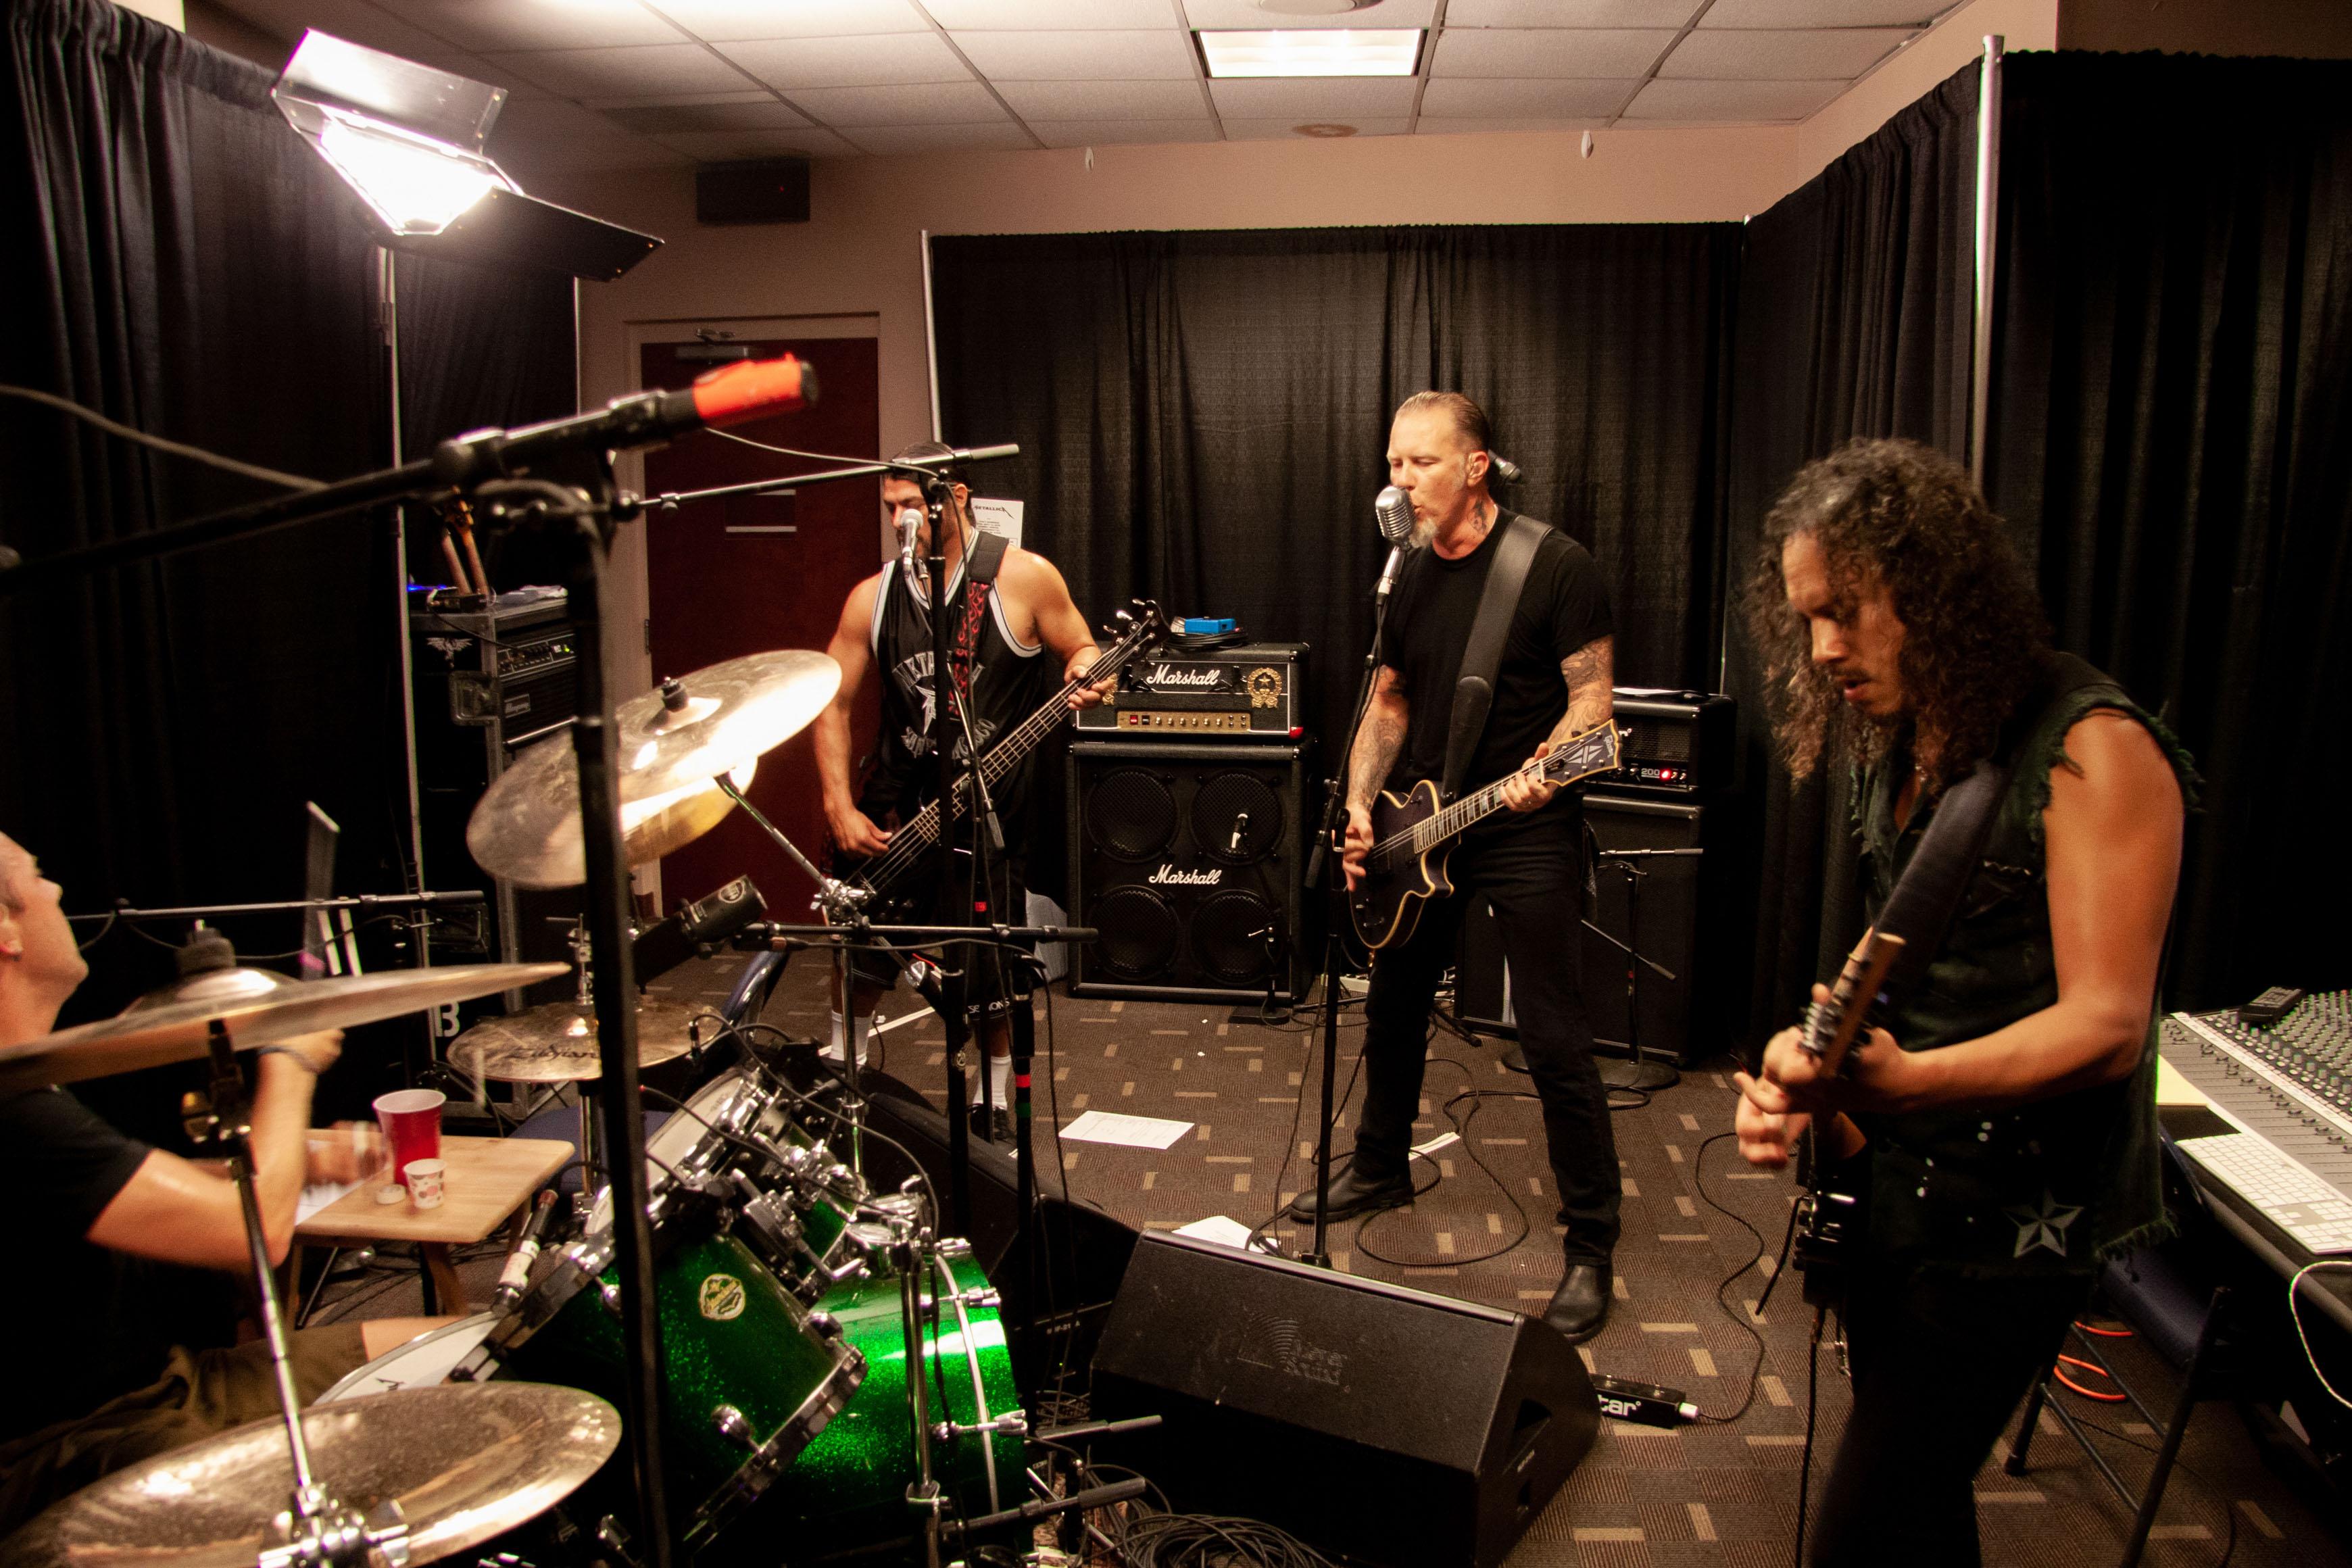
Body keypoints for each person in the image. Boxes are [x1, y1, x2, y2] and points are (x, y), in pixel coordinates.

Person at [1732, 439, 2190, 1567]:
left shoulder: (2093, 749)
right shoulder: (1908, 739)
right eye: (1807, 621)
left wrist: (1908, 1082)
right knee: (1921, 1508)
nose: (1823, 648)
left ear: (1931, 590)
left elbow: (2109, 1025)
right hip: (1901, 1185)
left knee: (1871, 1526)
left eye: (1845, 612)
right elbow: (1908, 947)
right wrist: (1807, 1063)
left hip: (2012, 1226)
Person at [0, 832, 444, 1537]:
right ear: (6, 931)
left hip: (170, 1383)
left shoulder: (28, 1086)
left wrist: (299, 1159)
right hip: (81, 1444)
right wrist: (291, 1057)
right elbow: (254, 1234)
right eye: (37, 875)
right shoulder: (13, 1113)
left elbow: (129, 1198)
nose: (57, 890)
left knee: (469, 1352)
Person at [1294, 391, 1621, 1344]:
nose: (1401, 481)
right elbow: (1390, 701)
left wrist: (1546, 771)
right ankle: (1380, 1164)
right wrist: (1362, 803)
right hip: (1422, 822)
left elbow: (1594, 707)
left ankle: (1591, 1241)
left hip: (1523, 824)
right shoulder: (1404, 574)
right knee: (1393, 1004)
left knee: (1553, 1033)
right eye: (1394, 463)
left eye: (1421, 463)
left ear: (1477, 467)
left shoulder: (1554, 565)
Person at [814, 443, 1108, 1141]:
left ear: (957, 496)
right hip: (893, 809)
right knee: (862, 949)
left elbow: (1083, 649)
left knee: (988, 967)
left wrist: (1089, 674)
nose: (900, 520)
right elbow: (831, 701)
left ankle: (992, 1100)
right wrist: (838, 805)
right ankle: (842, 1072)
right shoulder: (873, 596)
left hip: (988, 814)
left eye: (911, 505)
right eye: (890, 507)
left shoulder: (1022, 577)